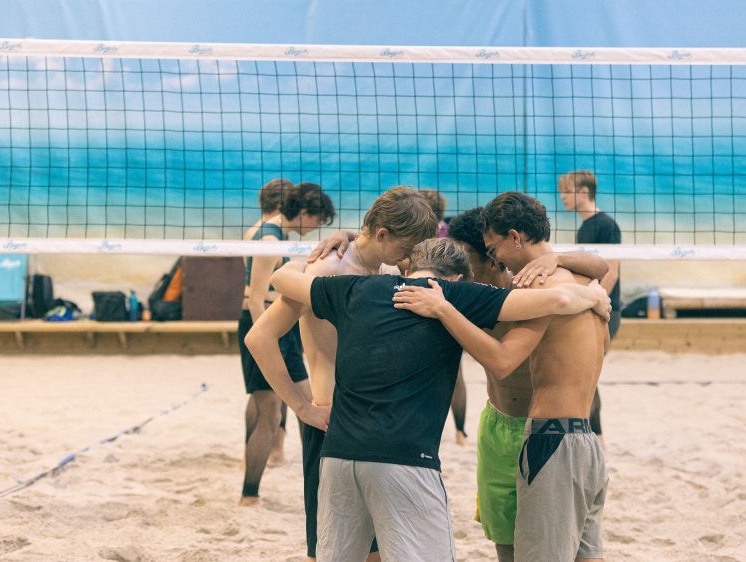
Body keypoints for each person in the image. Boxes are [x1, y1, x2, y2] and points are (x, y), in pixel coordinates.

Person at [266, 237, 609, 562]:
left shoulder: (354, 286)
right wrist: (593, 295)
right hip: (405, 457)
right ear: (457, 276)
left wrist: (306, 258)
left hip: (337, 452)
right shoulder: (454, 294)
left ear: (406, 267)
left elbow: (281, 279)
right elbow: (560, 301)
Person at [398, 192, 609, 561]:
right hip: (585, 439)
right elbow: (602, 266)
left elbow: (501, 361)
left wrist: (443, 309)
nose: (495, 258)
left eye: (494, 248)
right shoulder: (583, 284)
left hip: (550, 437)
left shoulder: (535, 288)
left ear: (515, 237)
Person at [244, 185, 437, 562]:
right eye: (406, 247)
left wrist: (347, 233)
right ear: (383, 234)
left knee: (379, 550)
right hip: (332, 423)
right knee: (329, 551)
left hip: (380, 425)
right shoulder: (326, 269)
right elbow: (259, 338)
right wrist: (300, 406)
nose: (409, 258)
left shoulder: (386, 266)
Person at [238, 179, 334, 507]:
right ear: (305, 212)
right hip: (267, 326)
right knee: (281, 409)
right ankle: (250, 494)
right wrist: (267, 344)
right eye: (318, 219)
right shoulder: (269, 237)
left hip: (275, 327)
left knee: (275, 404)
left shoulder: (269, 232)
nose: (319, 226)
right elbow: (254, 298)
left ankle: (265, 481)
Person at [558, 170, 622, 449]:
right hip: (589, 306)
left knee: (586, 374)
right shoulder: (585, 227)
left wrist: (594, 303)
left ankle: (598, 438)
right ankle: (594, 436)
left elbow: (613, 271)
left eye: (566, 191)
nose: (562, 197)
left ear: (584, 192)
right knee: (582, 373)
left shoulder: (607, 225)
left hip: (605, 309)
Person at [418, 188, 467, 445]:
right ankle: (460, 433)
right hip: (450, 302)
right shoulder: (451, 233)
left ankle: (426, 427)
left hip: (423, 303)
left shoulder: (418, 238)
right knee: (456, 371)